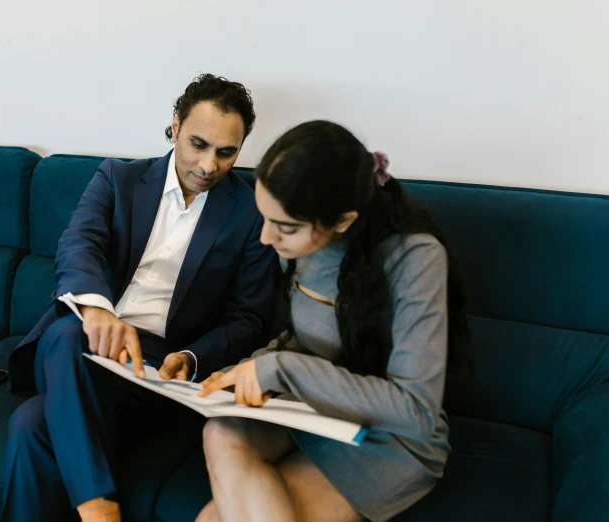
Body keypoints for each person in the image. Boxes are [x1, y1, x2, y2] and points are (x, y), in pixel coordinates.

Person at [2, 74, 278, 522]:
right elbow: (80, 244)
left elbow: (248, 319)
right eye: (198, 144)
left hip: (155, 371)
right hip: (81, 345)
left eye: (226, 152)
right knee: (69, 333)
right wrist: (96, 311)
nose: (209, 165)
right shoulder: (119, 178)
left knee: (31, 426)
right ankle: (100, 510)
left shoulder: (250, 214)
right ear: (174, 124)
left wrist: (190, 358)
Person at [198, 120, 470, 522]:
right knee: (219, 429)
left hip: (389, 435)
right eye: (265, 218)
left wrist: (282, 369)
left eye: (284, 226)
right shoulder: (293, 242)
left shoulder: (416, 258)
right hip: (312, 411)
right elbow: (304, 338)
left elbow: (416, 410)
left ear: (342, 221)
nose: (266, 239)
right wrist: (245, 371)